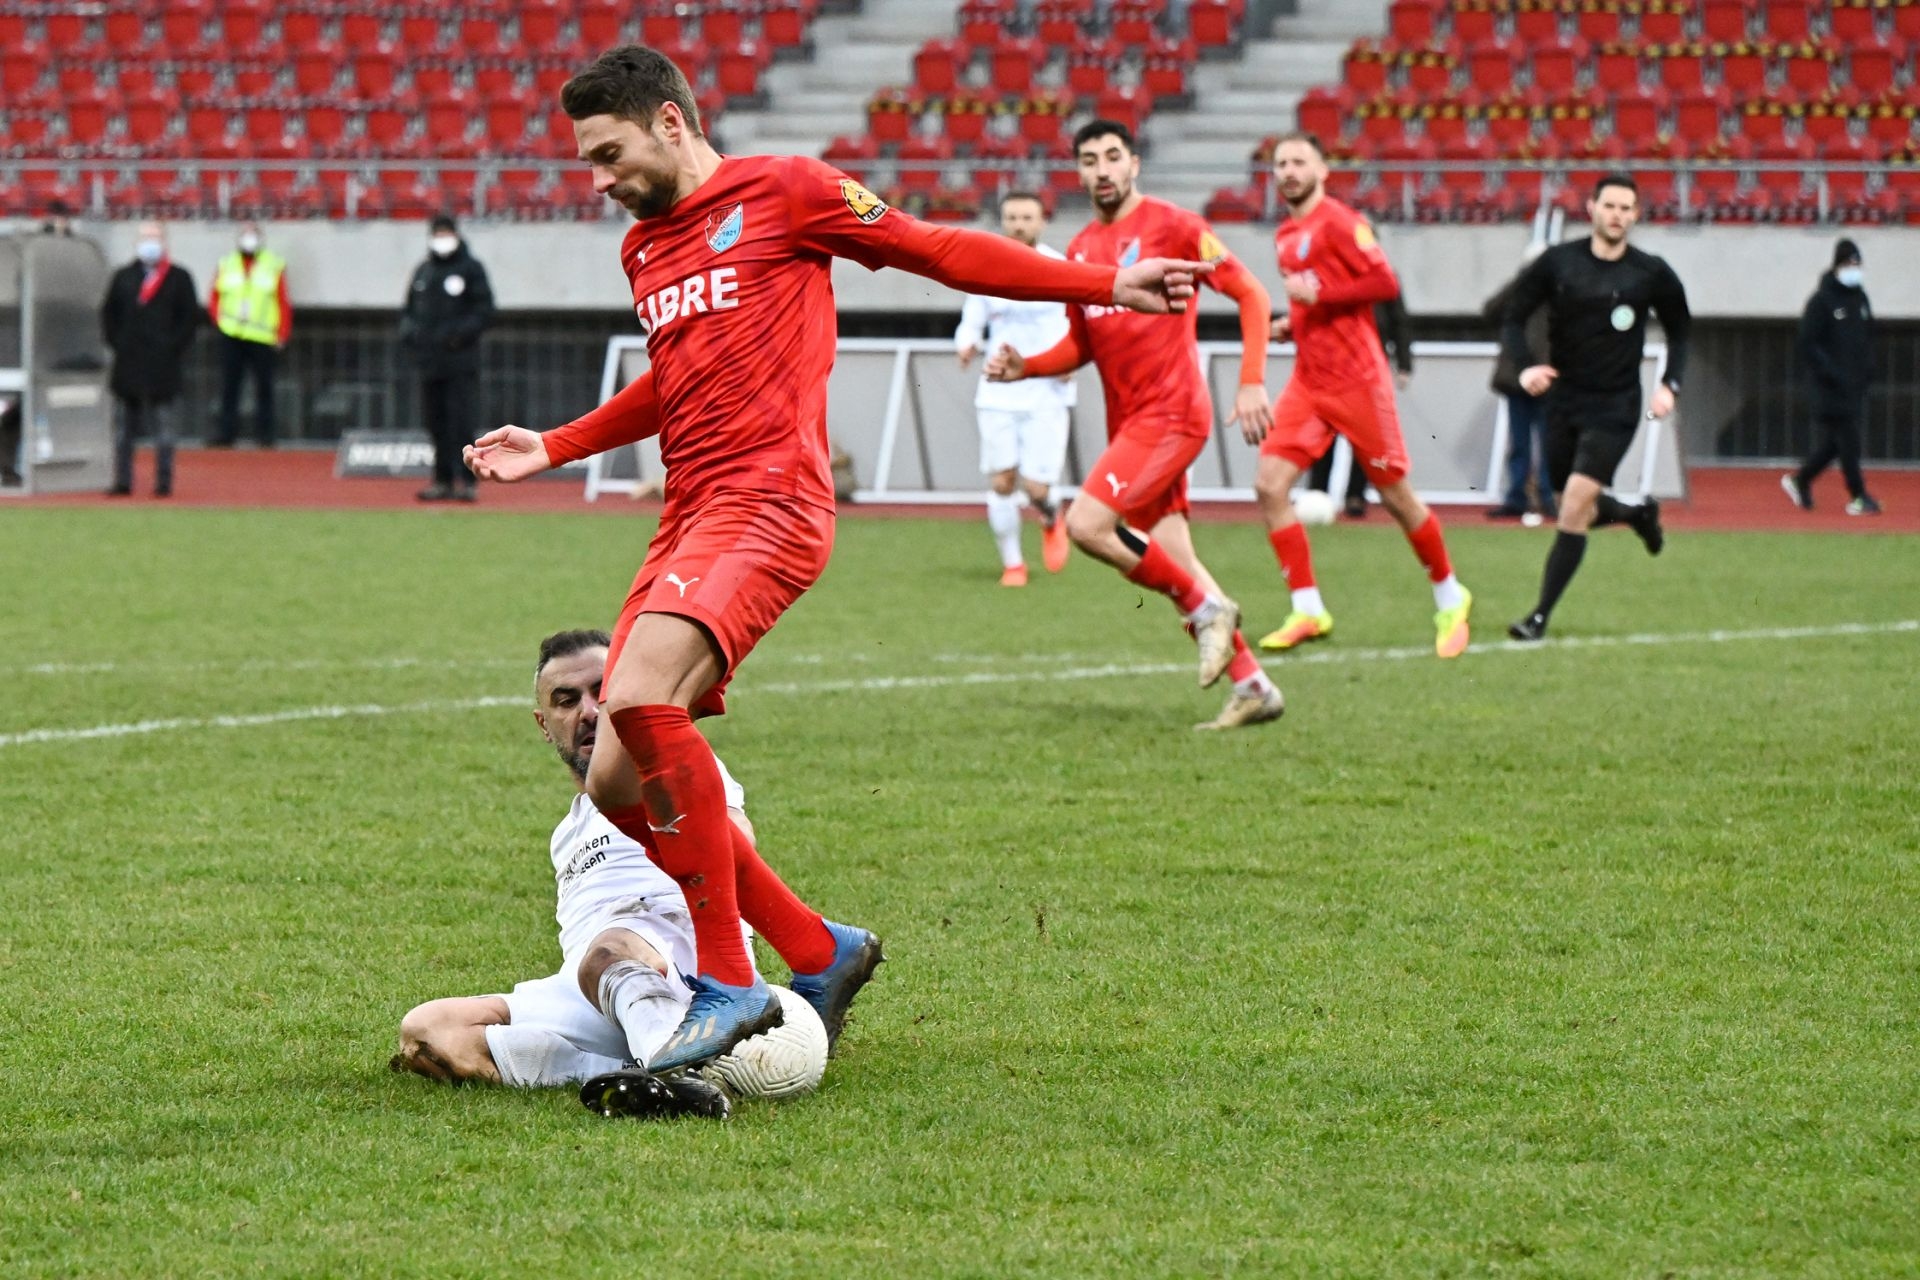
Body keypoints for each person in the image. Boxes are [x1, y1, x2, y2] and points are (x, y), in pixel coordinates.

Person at [462, 46, 1207, 1073]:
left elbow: (937, 249)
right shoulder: (644, 251)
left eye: (609, 153)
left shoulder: (789, 190)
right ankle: (819, 948)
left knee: (636, 696)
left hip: (772, 501)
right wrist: (557, 442)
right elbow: (673, 383)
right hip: (688, 515)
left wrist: (1107, 283)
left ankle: (727, 979)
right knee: (611, 781)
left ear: (671, 123)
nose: (598, 179)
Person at [984, 119, 1285, 731]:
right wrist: (1028, 368)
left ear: (1134, 164)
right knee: (1174, 556)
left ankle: (1209, 611)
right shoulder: (1080, 250)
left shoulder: (1174, 227)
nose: (1102, 169)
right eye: (1090, 159)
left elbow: (1250, 293)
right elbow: (1081, 345)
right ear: (1079, 172)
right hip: (1132, 423)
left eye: (1113, 156)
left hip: (1173, 413)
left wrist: (1251, 378)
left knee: (1088, 525)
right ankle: (1253, 684)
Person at [393, 628, 743, 1120]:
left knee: (608, 951)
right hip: (588, 985)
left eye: (603, 692)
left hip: (678, 958)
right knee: (429, 1030)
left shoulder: (672, 770)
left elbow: (739, 844)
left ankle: (676, 1064)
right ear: (544, 723)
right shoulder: (567, 833)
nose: (589, 711)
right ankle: (625, 1076)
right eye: (566, 700)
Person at [1255, 133, 1473, 659]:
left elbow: (1383, 282)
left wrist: (1321, 297)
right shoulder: (1286, 233)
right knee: (1269, 485)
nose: (1288, 171)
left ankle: (1450, 595)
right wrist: (1294, 322)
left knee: (1397, 496)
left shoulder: (1341, 221)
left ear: (1323, 169)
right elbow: (1316, 300)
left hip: (1358, 380)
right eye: (1281, 163)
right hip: (1310, 379)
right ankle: (1308, 609)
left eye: (1299, 161)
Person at [1501, 173, 1688, 642]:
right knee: (1570, 504)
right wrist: (1525, 368)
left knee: (1572, 508)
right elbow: (1512, 315)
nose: (1618, 215)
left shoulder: (1651, 272)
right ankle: (1634, 515)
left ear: (1636, 215)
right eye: (1610, 206)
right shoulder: (1559, 263)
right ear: (1592, 208)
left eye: (1627, 208)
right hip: (1563, 402)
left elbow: (1681, 328)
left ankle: (1539, 616)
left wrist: (1671, 384)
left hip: (1616, 407)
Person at [954, 191, 1076, 586]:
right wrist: (966, 342)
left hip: (1046, 388)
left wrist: (1071, 360)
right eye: (1011, 217)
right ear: (1002, 221)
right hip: (999, 388)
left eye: (1027, 217)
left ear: (1042, 221)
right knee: (1002, 480)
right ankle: (1013, 564)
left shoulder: (1060, 267)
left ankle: (1050, 514)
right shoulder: (986, 266)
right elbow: (972, 318)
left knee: (1038, 486)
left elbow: (1077, 319)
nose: (1019, 224)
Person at [100, 220, 201, 498]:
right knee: (123, 431)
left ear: (165, 241)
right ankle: (123, 480)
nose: (150, 242)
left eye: (155, 237)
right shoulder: (123, 277)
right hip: (128, 364)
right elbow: (109, 315)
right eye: (145, 237)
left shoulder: (179, 278)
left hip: (163, 365)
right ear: (136, 242)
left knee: (165, 429)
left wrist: (172, 348)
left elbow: (189, 319)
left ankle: (164, 482)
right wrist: (119, 344)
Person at [1783, 239, 1880, 516]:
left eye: (1858, 265)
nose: (1855, 270)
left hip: (1854, 385)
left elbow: (1868, 335)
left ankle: (1801, 480)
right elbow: (1807, 343)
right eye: (1850, 264)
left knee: (1837, 443)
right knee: (1849, 440)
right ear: (1838, 265)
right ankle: (1859, 495)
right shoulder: (1822, 301)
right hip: (1830, 388)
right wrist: (1830, 372)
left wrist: (1867, 368)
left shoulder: (1860, 299)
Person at [401, 213, 494, 502]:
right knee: (435, 422)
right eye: (437, 234)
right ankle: (441, 479)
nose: (442, 240)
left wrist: (456, 336)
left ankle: (467, 481)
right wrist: (411, 333)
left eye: (446, 233)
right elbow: (409, 311)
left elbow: (484, 311)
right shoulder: (424, 271)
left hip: (460, 362)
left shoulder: (471, 269)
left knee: (461, 422)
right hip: (430, 363)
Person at [1304, 292, 1413, 519]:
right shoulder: (1325, 275)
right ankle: (1317, 492)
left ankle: (1356, 495)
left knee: (1365, 440)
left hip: (1369, 373)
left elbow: (1399, 321)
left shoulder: (1381, 276)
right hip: (1330, 369)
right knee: (1323, 436)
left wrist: (1404, 363)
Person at [1482, 245, 1555, 521]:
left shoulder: (1562, 293)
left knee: (1550, 442)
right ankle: (1516, 496)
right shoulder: (1518, 292)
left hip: (1548, 378)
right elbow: (1489, 311)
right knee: (1520, 443)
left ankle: (1548, 497)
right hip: (1517, 378)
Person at [208, 220, 291, 449]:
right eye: (245, 234)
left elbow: (282, 301)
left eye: (253, 234)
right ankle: (226, 432)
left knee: (264, 386)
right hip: (231, 333)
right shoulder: (227, 263)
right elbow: (215, 296)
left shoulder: (273, 264)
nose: (249, 238)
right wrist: (219, 321)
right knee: (229, 386)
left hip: (262, 335)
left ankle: (265, 434)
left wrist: (282, 332)